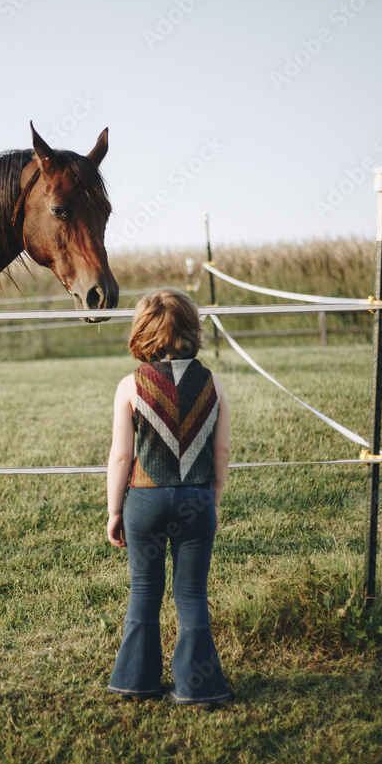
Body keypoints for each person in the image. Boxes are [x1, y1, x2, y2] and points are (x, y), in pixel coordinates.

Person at [106, 289, 231, 709]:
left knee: (144, 590)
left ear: (142, 331)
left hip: (145, 500)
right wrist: (212, 498)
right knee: (191, 594)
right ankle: (198, 688)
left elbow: (122, 455)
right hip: (196, 500)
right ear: (191, 331)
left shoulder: (130, 384)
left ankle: (134, 681)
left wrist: (113, 510)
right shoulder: (212, 382)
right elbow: (222, 451)